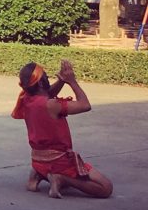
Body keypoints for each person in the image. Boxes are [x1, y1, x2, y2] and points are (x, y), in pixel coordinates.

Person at [11, 60, 112, 199]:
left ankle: (38, 174)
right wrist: (72, 81)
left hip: (38, 160)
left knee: (56, 171)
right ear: (40, 83)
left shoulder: (27, 98)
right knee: (105, 188)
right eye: (46, 76)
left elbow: (47, 93)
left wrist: (61, 81)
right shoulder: (51, 105)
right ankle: (61, 178)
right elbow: (85, 105)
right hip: (58, 162)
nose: (48, 78)